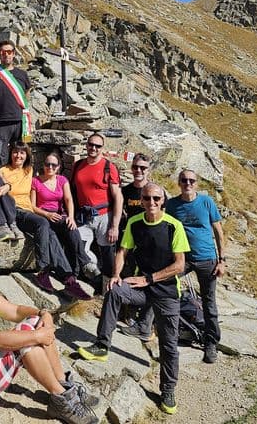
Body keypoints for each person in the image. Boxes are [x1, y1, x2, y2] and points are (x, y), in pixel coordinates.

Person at [0, 243, 99, 424]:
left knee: (34, 327)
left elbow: (14, 311)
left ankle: (65, 389)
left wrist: (44, 314)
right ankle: (61, 397)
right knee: (29, 339)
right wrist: (37, 336)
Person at [78, 183, 189, 416]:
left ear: (163, 201)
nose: (151, 203)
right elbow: (122, 251)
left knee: (168, 345)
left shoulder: (173, 226)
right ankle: (102, 345)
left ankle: (167, 390)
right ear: (141, 199)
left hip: (166, 292)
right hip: (142, 287)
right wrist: (117, 276)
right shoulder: (135, 223)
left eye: (156, 198)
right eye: (147, 198)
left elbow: (179, 265)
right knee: (115, 290)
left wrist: (150, 279)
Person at [0, 144, 91, 300]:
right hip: (15, 210)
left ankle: (69, 280)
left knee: (51, 235)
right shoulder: (3, 171)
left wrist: (69, 216)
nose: (18, 156)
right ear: (10, 154)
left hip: (30, 212)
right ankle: (43, 271)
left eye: (22, 153)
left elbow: (66, 197)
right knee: (43, 223)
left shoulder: (28, 171)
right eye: (15, 152)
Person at [165, 169, 226, 364]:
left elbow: (218, 231)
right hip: (183, 259)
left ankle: (211, 343)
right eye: (184, 180)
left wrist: (222, 260)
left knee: (209, 302)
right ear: (179, 182)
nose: (188, 184)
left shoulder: (207, 202)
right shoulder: (173, 204)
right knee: (163, 287)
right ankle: (152, 327)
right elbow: (168, 228)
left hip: (208, 259)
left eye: (191, 180)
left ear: (197, 183)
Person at [69, 133, 124, 278]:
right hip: (83, 215)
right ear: (86, 145)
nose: (93, 148)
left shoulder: (108, 167)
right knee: (78, 246)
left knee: (107, 252)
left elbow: (118, 196)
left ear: (102, 148)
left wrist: (114, 226)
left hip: (104, 215)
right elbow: (72, 192)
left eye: (97, 146)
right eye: (91, 144)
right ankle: (95, 274)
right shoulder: (77, 166)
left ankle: (108, 286)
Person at [118, 153, 156, 341]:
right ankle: (130, 314)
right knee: (131, 276)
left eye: (142, 168)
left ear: (149, 170)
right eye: (135, 167)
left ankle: (146, 321)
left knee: (149, 278)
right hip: (131, 239)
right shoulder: (126, 191)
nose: (138, 171)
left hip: (151, 242)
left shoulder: (154, 191)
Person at [0, 40, 32, 165]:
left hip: (19, 121)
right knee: (1, 156)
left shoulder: (22, 74)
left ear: (14, 54)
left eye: (9, 51)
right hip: (0, 122)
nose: (6, 54)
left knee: (20, 155)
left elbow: (26, 94)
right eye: (3, 52)